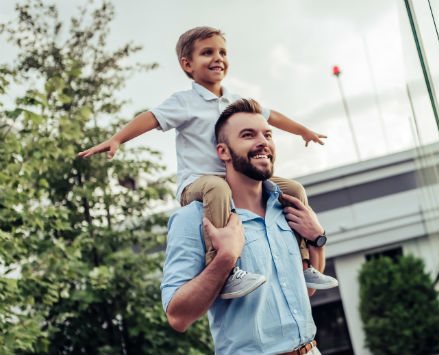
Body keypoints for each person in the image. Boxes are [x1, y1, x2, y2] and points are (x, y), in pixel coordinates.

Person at [78, 26, 337, 298]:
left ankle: (304, 262)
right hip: (198, 184)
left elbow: (272, 117)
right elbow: (150, 118)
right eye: (207, 53)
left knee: (293, 189)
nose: (218, 58)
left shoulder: (236, 100)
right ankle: (225, 270)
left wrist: (302, 131)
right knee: (217, 188)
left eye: (222, 52)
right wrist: (118, 139)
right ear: (187, 64)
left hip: (235, 179)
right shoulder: (184, 102)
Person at [162, 98, 325, 355]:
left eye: (267, 134)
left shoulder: (286, 208)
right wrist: (224, 258)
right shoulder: (193, 219)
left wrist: (317, 240)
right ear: (223, 152)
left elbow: (308, 289)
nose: (263, 142)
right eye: (248, 135)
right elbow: (177, 317)